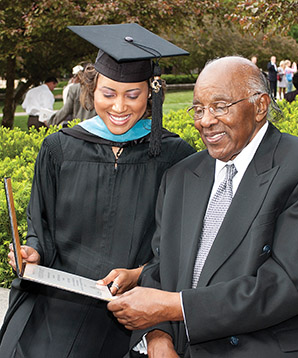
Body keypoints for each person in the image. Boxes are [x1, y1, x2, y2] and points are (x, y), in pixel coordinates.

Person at [0, 24, 195, 357]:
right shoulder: (58, 149)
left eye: (132, 95)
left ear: (151, 94)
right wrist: (31, 253)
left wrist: (139, 274)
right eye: (108, 93)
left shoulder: (176, 157)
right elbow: (41, 229)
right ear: (91, 93)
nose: (119, 106)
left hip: (129, 315)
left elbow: (180, 245)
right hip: (54, 311)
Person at [108, 56, 298, 357]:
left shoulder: (294, 166)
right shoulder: (180, 177)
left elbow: (286, 284)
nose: (205, 121)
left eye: (220, 106)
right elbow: (160, 267)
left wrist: (174, 307)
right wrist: (158, 336)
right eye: (198, 109)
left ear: (260, 106)